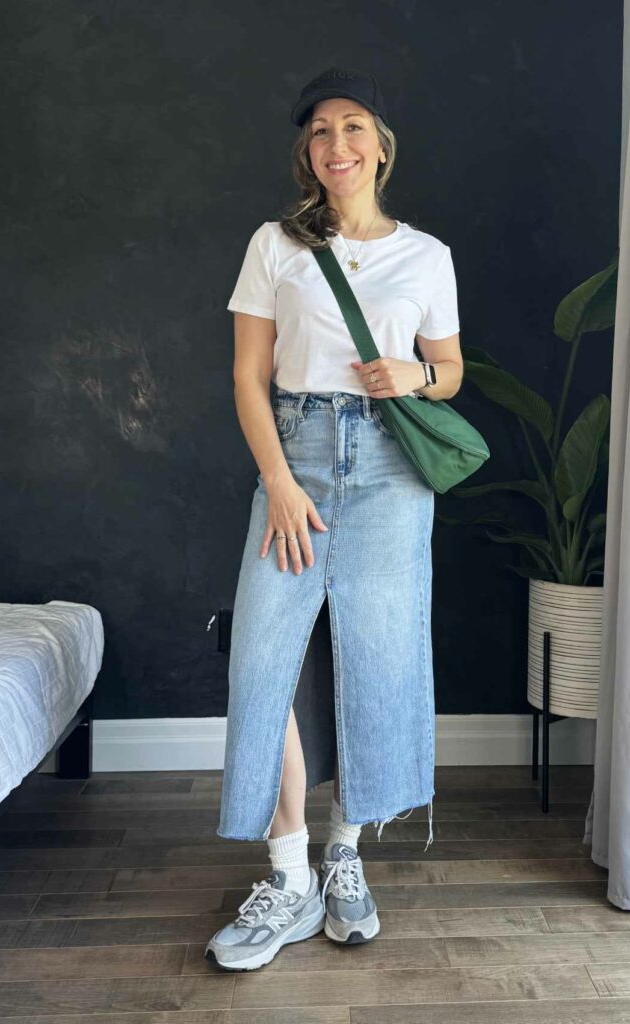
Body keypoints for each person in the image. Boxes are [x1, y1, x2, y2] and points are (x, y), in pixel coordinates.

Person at [205, 66, 463, 971]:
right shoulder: (275, 244)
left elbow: (452, 370)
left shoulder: (426, 257)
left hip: (393, 470)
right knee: (263, 658)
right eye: (320, 131)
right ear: (306, 153)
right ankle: (287, 872)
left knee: (378, 655)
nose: (337, 145)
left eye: (353, 127)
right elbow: (247, 374)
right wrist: (277, 479)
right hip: (299, 456)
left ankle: (346, 854)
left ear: (381, 145)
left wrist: (417, 377)